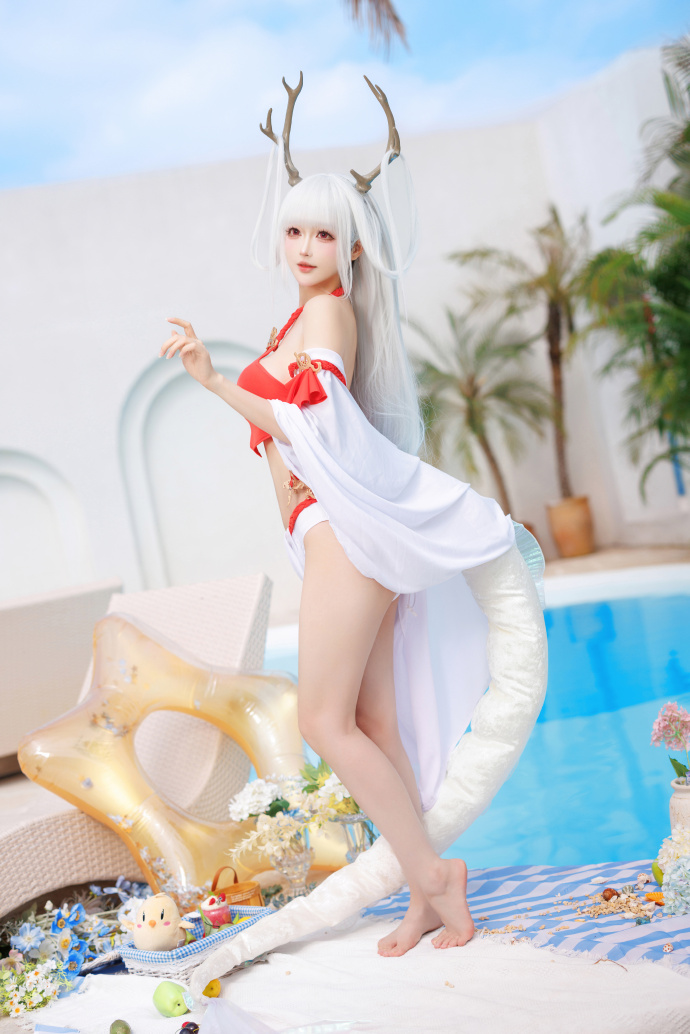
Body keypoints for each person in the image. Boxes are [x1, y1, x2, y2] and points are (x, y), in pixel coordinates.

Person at [159, 74, 548, 963]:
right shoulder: (301, 315)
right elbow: (299, 422)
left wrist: (213, 382)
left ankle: (434, 874)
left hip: (344, 539)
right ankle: (427, 893)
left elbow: (317, 413)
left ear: (354, 245)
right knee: (371, 728)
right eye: (294, 230)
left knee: (324, 724)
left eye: (324, 233)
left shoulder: (329, 314)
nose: (304, 247)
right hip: (327, 536)